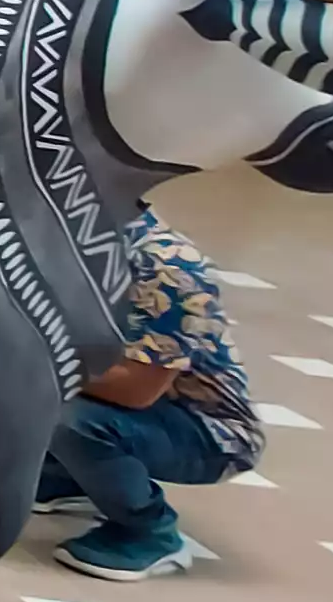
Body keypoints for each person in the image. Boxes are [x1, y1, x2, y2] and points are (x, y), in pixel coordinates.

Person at [37, 211, 265, 580]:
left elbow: (137, 390)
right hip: (137, 400)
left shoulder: (167, 266)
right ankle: (68, 477)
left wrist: (34, 366)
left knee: (66, 415)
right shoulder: (63, 240)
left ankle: (151, 531)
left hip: (207, 430)